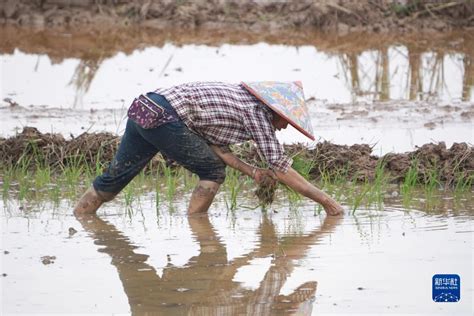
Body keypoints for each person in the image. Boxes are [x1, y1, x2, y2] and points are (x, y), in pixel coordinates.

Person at [73, 81, 344, 216]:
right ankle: (198, 225)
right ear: (274, 110)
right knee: (213, 172)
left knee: (114, 178)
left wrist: (253, 172)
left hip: (145, 107)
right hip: (166, 116)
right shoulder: (255, 112)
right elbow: (281, 167)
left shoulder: (235, 99)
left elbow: (218, 149)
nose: (284, 128)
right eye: (285, 121)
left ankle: (80, 217)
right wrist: (328, 203)